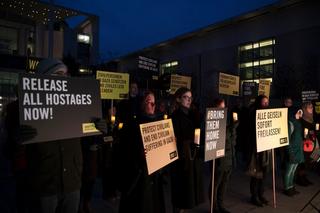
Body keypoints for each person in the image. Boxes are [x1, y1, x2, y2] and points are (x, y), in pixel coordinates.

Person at [118, 91, 165, 213]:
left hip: (154, 178)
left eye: (153, 103)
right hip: (138, 178)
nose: (151, 105)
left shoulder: (159, 123)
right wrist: (139, 153)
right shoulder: (131, 124)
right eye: (148, 102)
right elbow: (123, 150)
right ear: (142, 103)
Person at [170, 87, 204, 212]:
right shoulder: (174, 117)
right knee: (180, 192)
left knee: (187, 193)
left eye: (190, 97)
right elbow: (172, 140)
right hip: (181, 160)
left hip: (191, 158)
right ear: (178, 99)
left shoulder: (192, 114)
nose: (189, 100)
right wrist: (187, 144)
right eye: (186, 97)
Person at [209, 98, 238, 213]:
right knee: (216, 183)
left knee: (224, 183)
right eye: (220, 107)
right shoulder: (211, 120)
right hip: (219, 157)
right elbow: (219, 138)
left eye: (224, 107)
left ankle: (221, 204)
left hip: (229, 156)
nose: (223, 109)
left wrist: (233, 130)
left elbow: (232, 140)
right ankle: (214, 207)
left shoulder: (227, 120)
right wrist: (230, 129)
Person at [245, 95, 270, 207]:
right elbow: (250, 131)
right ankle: (254, 196)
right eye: (263, 102)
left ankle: (261, 194)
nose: (265, 104)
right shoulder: (253, 113)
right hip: (256, 148)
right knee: (256, 174)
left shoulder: (268, 113)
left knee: (264, 173)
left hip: (265, 148)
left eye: (267, 102)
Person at [283, 107, 304, 196]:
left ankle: (291, 186)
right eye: (298, 112)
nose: (300, 115)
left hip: (298, 150)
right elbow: (287, 138)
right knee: (289, 170)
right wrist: (289, 151)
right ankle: (287, 188)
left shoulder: (298, 122)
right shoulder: (290, 123)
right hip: (292, 150)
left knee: (293, 170)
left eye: (301, 113)